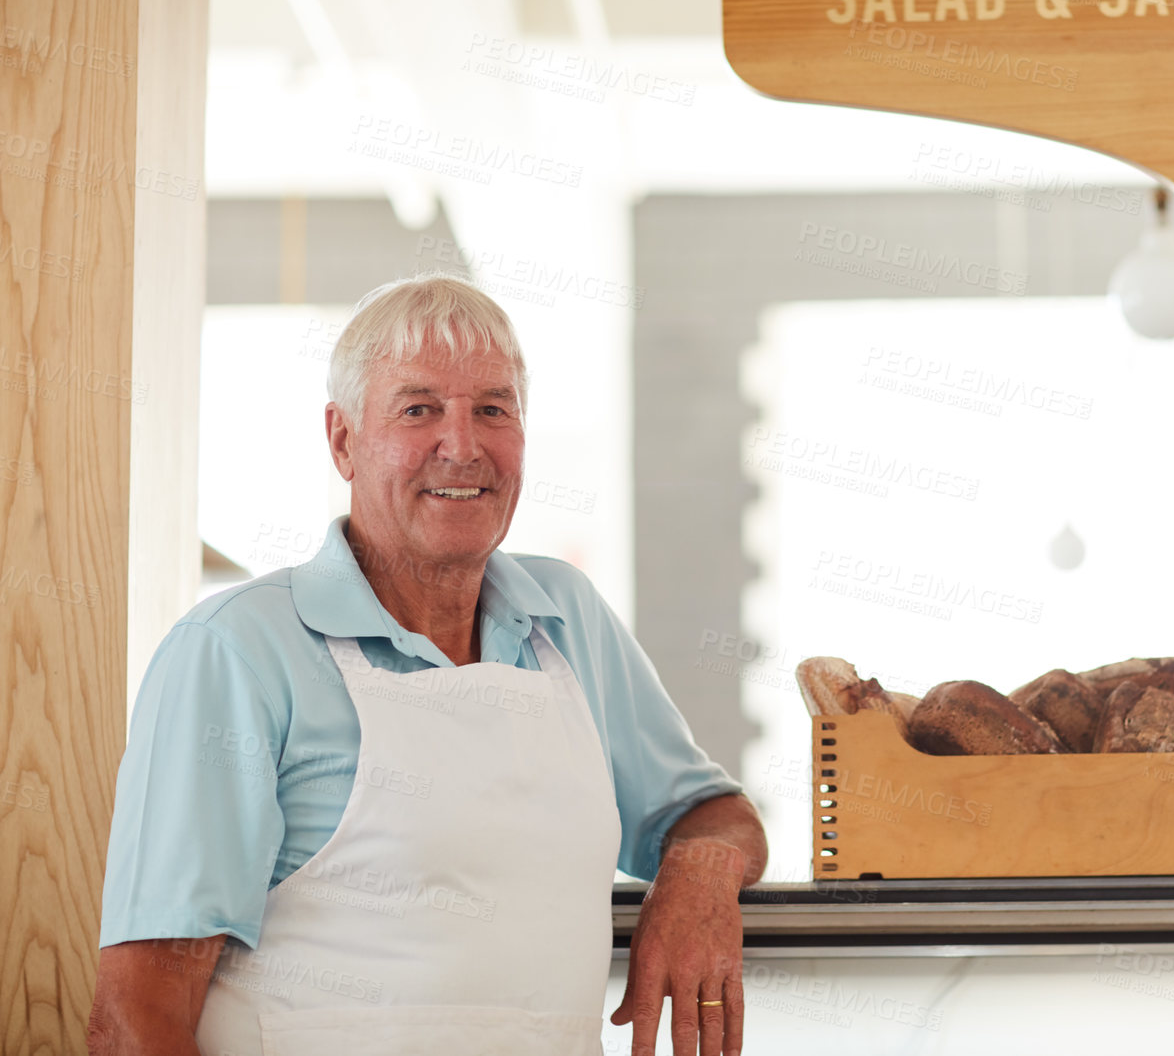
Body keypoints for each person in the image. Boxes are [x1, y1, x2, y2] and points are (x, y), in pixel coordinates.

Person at [87, 276, 766, 1056]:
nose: (463, 445)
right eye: (418, 409)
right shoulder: (235, 652)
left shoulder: (566, 617)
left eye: (493, 408)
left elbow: (713, 814)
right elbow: (136, 1020)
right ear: (342, 440)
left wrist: (702, 872)